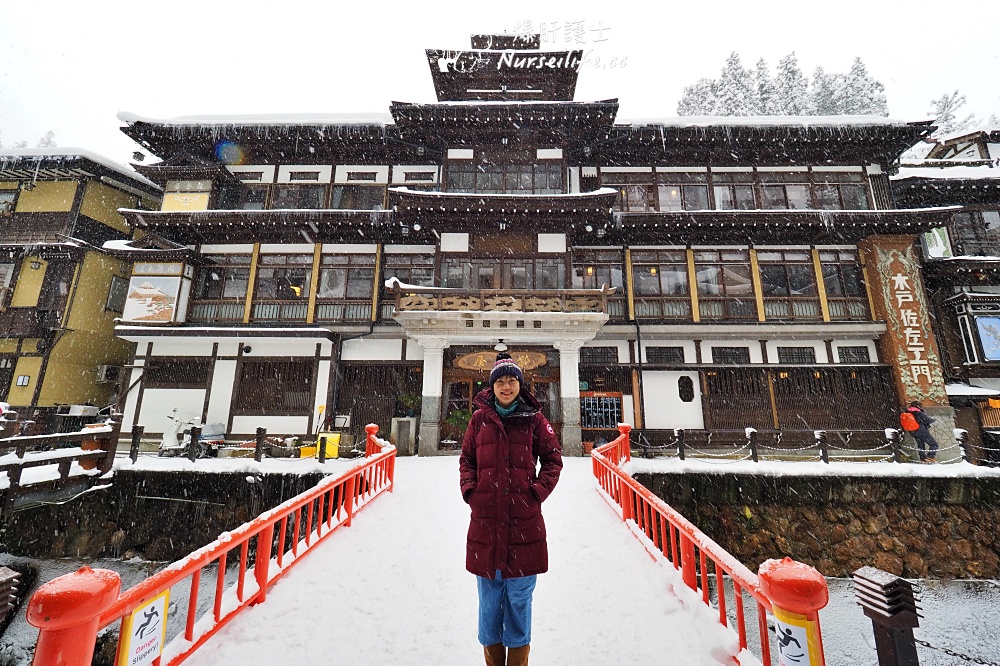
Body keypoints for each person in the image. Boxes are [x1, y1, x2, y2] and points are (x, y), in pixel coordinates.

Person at [459, 352, 562, 666]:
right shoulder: (479, 420)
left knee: (519, 599)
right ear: (492, 386)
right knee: (489, 601)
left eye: (512, 380)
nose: (506, 386)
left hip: (523, 522)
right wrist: (471, 491)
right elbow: (467, 461)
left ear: (520, 383)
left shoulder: (534, 420)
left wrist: (535, 493)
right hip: (486, 523)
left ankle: (518, 660)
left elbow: (553, 460)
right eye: (500, 381)